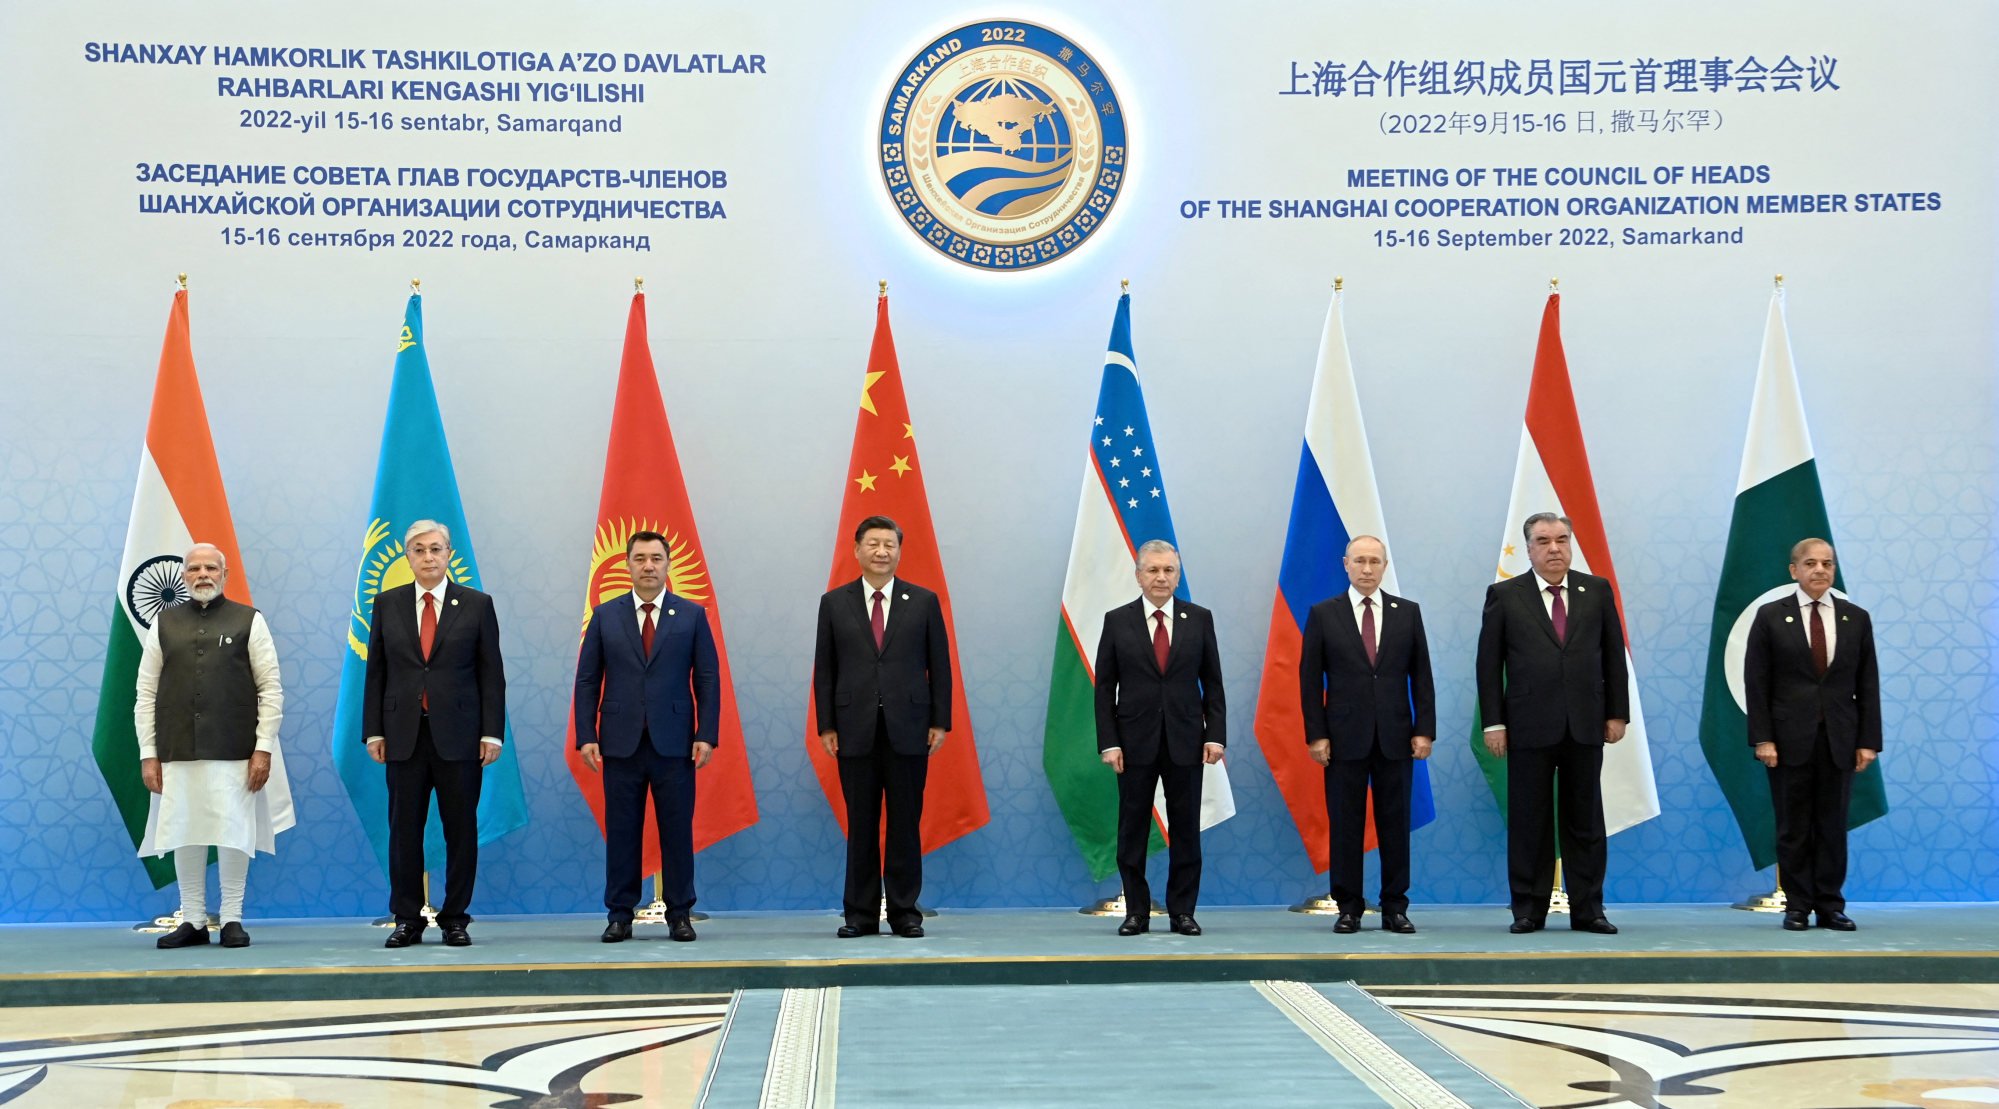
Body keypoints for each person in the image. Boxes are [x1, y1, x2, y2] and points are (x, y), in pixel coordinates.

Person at [1476, 512, 1627, 935]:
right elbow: (1489, 665)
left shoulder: (1595, 591)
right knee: (1530, 822)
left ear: (1571, 544)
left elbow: (1613, 655)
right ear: (1528, 549)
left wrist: (1617, 713)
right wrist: (1493, 723)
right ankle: (1528, 910)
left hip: (1585, 724)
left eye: (1562, 539)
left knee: (1586, 821)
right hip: (1527, 725)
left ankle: (1589, 909)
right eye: (1543, 541)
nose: (1554, 548)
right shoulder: (1506, 595)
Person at [135, 543, 290, 949]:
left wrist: (263, 748)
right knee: (186, 830)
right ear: (183, 576)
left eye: (210, 567)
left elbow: (270, 689)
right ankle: (193, 920)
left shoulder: (249, 621)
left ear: (225, 575)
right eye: (194, 568)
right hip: (176, 749)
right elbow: (145, 692)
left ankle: (233, 919)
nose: (202, 574)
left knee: (233, 831)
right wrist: (147, 753)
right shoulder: (164, 623)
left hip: (235, 749)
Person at [363, 520, 506, 948]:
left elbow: (491, 675)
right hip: (403, 735)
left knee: (460, 830)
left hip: (461, 737)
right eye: (419, 550)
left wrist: (492, 734)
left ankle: (455, 917)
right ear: (408, 557)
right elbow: (377, 673)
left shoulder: (477, 605)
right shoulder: (387, 604)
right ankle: (407, 917)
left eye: (436, 549)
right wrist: (373, 730)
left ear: (448, 555)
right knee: (404, 830)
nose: (428, 557)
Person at [574, 530, 720, 943]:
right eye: (640, 559)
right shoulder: (605, 615)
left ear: (668, 564)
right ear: (627, 564)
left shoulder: (691, 615)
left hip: (675, 742)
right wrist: (587, 733)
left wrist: (706, 733)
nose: (649, 566)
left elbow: (707, 678)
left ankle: (680, 913)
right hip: (619, 742)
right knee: (622, 831)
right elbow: (588, 679)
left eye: (656, 558)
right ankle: (620, 913)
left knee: (677, 830)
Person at [814, 516, 951, 939]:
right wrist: (826, 725)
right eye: (872, 543)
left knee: (905, 824)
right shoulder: (835, 602)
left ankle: (905, 912)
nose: (880, 551)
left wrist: (940, 721)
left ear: (899, 551)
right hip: (853, 728)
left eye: (889, 544)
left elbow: (940, 667)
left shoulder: (923, 601)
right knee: (861, 824)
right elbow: (825, 669)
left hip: (910, 728)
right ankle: (859, 914)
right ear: (857, 550)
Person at [1299, 535, 1434, 935]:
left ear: (1385, 566)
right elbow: (1309, 681)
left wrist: (1424, 729)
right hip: (1342, 739)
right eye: (1360, 561)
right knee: (1346, 824)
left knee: (1395, 823)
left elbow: (1421, 677)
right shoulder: (1324, 614)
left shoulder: (1407, 613)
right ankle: (1349, 907)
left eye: (1375, 561)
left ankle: (1395, 906)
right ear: (1346, 564)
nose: (1367, 569)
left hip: (1396, 736)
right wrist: (1316, 735)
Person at [1744, 538, 1880, 932]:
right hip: (1786, 742)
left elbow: (1867, 684)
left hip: (1840, 739)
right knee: (1793, 826)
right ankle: (1798, 906)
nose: (1820, 570)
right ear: (1794, 570)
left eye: (1827, 563)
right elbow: (1757, 682)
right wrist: (1763, 739)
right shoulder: (1771, 616)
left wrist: (1868, 740)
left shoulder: (1856, 618)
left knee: (1833, 826)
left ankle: (1831, 905)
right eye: (1811, 563)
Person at [1094, 539, 1226, 937]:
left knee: (1186, 829)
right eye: (1152, 570)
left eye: (1168, 570)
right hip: (1133, 742)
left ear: (1178, 575)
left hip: (1187, 739)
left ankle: (1182, 912)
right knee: (1132, 828)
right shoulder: (1118, 621)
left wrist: (1215, 734)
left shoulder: (1199, 619)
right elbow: (1104, 688)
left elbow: (1213, 684)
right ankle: (1136, 911)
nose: (1161, 577)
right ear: (1138, 576)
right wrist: (1109, 741)